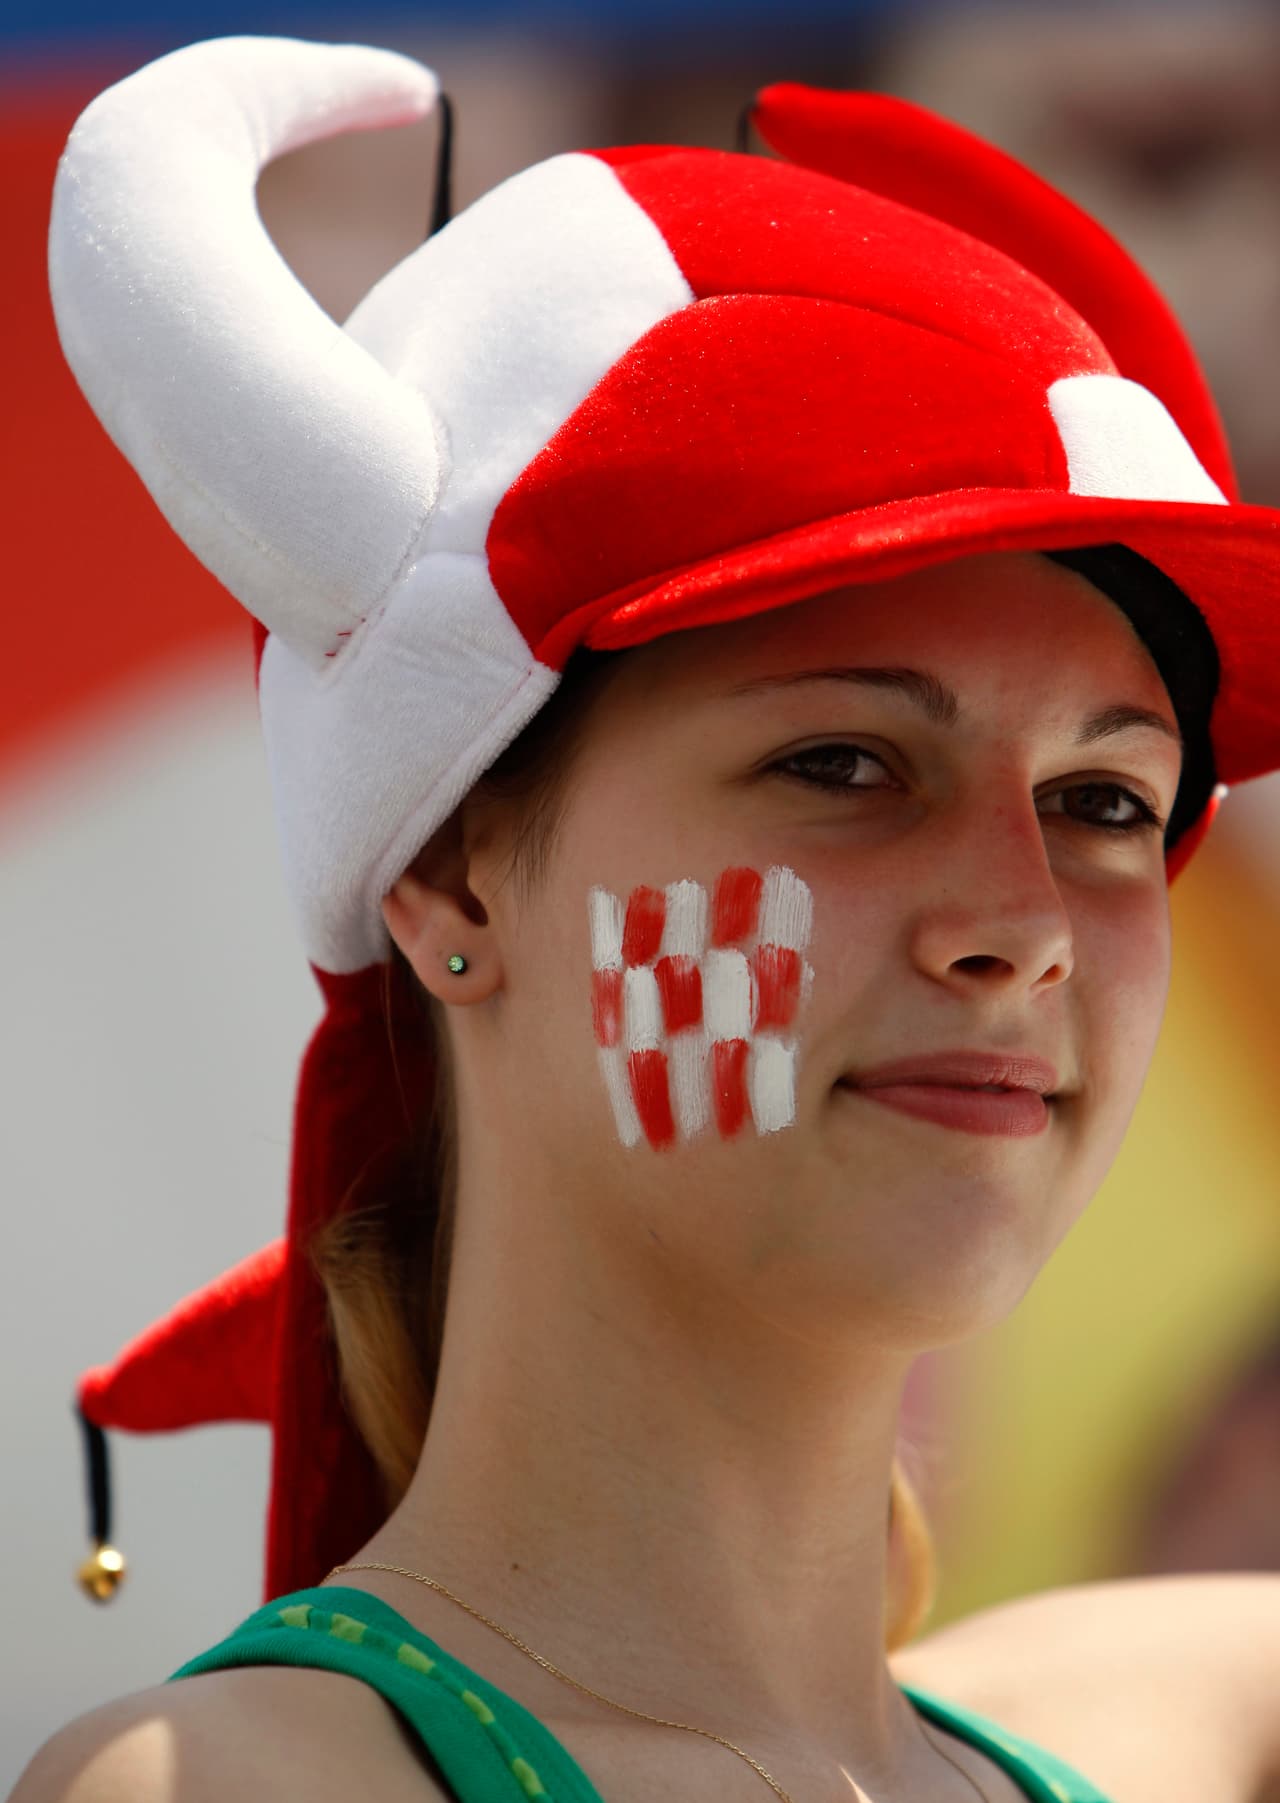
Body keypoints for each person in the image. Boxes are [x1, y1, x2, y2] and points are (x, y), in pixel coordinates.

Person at [16, 32, 1280, 1803]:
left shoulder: (1184, 1725)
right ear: (449, 872)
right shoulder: (239, 1785)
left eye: (1106, 803)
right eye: (844, 763)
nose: (1023, 925)